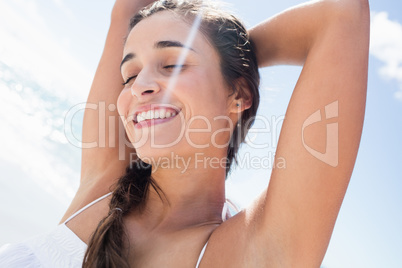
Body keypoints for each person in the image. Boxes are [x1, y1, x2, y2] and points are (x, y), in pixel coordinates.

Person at [0, 0, 370, 267]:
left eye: (173, 64)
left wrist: (229, 53)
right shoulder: (103, 187)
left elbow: (341, 14)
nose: (139, 85)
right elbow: (128, 8)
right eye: (129, 75)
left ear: (239, 94)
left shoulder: (249, 252)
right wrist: (216, 60)